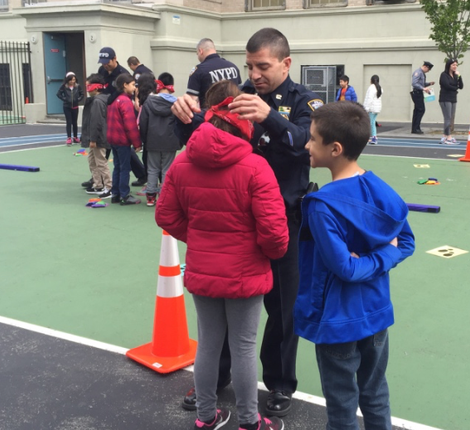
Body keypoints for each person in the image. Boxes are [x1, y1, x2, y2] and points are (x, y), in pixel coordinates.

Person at [172, 28, 324, 419]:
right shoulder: (234, 96)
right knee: (227, 312)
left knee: (283, 312)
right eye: (249, 65)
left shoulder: (304, 100)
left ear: (286, 63)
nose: (253, 74)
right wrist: (183, 116)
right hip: (237, 227)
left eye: (263, 66)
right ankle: (215, 379)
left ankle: (279, 384)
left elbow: (307, 146)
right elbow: (203, 137)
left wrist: (270, 117)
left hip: (284, 223)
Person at [157, 80, 289, 430]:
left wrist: (199, 239)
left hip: (203, 269)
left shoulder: (184, 162)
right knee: (244, 348)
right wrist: (258, 250)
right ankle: (249, 421)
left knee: (208, 345)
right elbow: (276, 234)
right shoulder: (256, 166)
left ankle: (206, 416)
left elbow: (165, 216)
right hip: (247, 272)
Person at [295, 101, 415, 430]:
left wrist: (365, 260)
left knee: (342, 404)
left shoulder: (322, 206)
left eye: (312, 139)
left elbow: (345, 269)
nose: (306, 145)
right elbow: (405, 242)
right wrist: (383, 257)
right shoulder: (382, 190)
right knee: (375, 394)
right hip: (376, 314)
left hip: (338, 322)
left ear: (335, 148)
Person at [139, 75, 180, 207]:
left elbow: (143, 122)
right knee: (167, 169)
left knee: (152, 168)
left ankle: (150, 197)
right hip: (170, 140)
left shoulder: (148, 102)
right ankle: (165, 196)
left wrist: (144, 139)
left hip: (152, 140)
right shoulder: (177, 103)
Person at [106, 73, 143, 205]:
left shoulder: (113, 100)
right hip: (122, 140)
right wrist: (137, 142)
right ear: (125, 85)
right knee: (125, 168)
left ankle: (115, 194)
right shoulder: (125, 101)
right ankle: (124, 195)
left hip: (113, 139)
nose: (134, 88)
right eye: (133, 85)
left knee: (117, 167)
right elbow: (130, 124)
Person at [80, 75, 112, 199]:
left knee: (101, 162)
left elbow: (96, 121)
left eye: (89, 86)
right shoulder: (97, 100)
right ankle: (97, 184)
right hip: (95, 136)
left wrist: (93, 139)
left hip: (98, 137)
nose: (87, 89)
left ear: (97, 87)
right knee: (92, 161)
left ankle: (108, 186)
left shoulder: (98, 102)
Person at [187, 38, 241, 107]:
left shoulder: (199, 70)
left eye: (197, 54)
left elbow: (192, 100)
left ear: (200, 51)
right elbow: (239, 91)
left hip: (210, 115)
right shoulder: (233, 67)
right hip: (233, 114)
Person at [438, 58, 463, 144]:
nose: (455, 66)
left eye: (456, 65)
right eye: (453, 65)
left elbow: (461, 86)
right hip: (445, 98)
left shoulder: (455, 75)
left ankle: (445, 136)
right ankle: (448, 136)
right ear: (449, 65)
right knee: (447, 117)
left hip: (453, 98)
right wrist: (455, 88)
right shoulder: (444, 75)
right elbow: (447, 86)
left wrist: (459, 76)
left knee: (451, 117)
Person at [56, 72, 82, 145]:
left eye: (74, 80)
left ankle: (75, 137)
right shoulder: (64, 86)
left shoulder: (77, 86)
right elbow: (58, 94)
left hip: (75, 106)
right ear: (68, 80)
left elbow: (82, 94)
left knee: (75, 122)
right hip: (67, 106)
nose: (72, 81)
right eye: (71, 80)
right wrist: (65, 99)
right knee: (69, 122)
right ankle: (69, 137)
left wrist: (78, 99)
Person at [410, 61, 435, 134]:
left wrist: (429, 84)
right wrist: (423, 88)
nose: (428, 71)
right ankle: (416, 128)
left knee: (417, 110)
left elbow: (422, 83)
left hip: (419, 93)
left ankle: (415, 128)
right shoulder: (418, 72)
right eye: (428, 69)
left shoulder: (422, 73)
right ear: (425, 67)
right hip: (417, 93)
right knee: (421, 110)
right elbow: (414, 83)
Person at [363, 74, 383, 145]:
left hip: (372, 108)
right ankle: (373, 137)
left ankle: (373, 137)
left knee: (371, 123)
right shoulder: (379, 87)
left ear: (371, 80)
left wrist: (366, 108)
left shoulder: (372, 88)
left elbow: (369, 99)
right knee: (372, 122)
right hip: (376, 108)